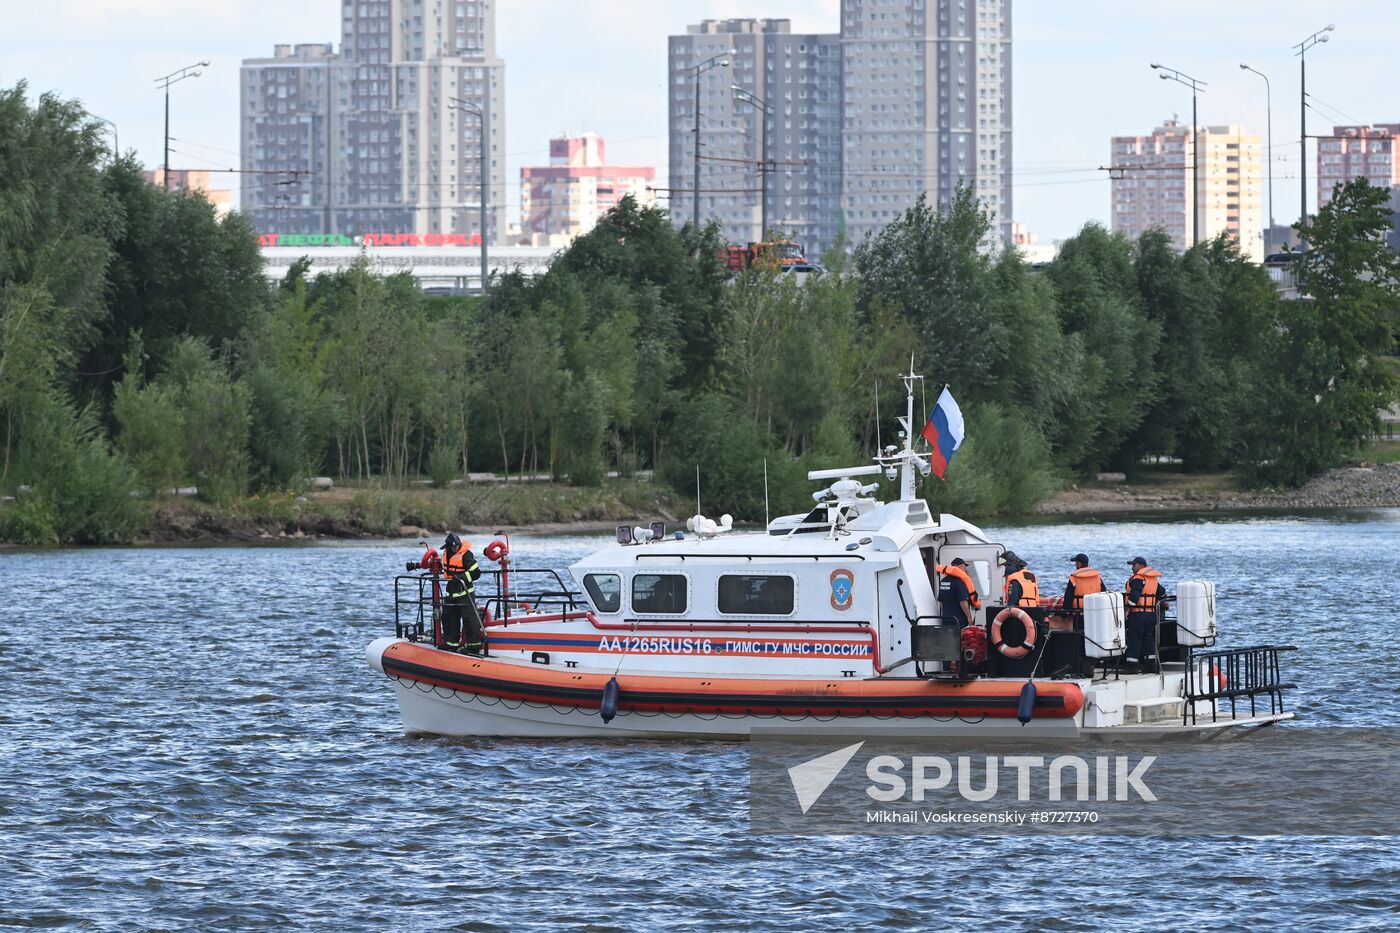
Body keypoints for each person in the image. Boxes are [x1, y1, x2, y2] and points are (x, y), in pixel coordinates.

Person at [441, 533, 483, 653]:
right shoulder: (445, 554)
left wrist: (461, 577)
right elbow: (445, 568)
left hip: (465, 591)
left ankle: (474, 646)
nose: (455, 549)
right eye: (453, 547)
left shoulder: (467, 555)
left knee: (469, 619)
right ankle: (451, 643)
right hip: (451, 591)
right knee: (449, 617)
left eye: (457, 546)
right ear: (448, 547)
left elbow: (476, 573)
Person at [1124, 556, 1165, 670]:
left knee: (1134, 639)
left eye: (1134, 565)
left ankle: (1132, 665)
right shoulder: (1153, 579)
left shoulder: (1138, 579)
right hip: (1151, 615)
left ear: (1141, 566)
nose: (1132, 567)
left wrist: (1127, 609)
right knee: (1149, 640)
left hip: (1138, 615)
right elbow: (1162, 593)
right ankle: (1150, 664)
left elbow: (1134, 598)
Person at [936, 557, 981, 627]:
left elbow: (941, 601)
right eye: (964, 567)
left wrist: (944, 615)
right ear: (959, 566)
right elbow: (963, 601)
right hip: (959, 620)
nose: (965, 569)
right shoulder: (959, 582)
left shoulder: (943, 581)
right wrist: (969, 617)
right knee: (959, 637)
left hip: (946, 619)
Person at [1062, 553, 1105, 625]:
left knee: (1079, 634)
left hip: (1079, 613)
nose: (1075, 564)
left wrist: (1066, 612)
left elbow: (1068, 596)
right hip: (1095, 611)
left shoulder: (1074, 577)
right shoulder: (1097, 577)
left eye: (1076, 562)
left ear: (1080, 564)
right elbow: (1104, 591)